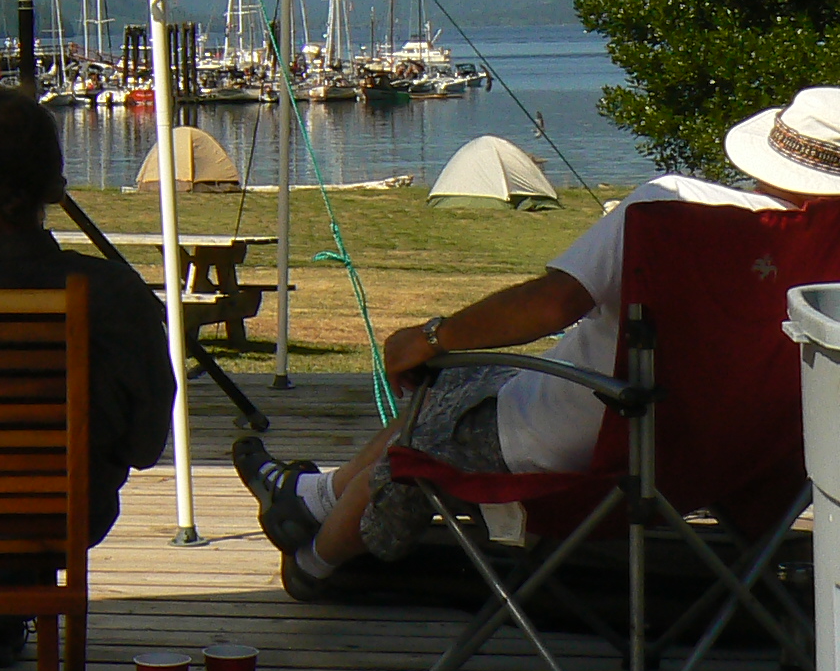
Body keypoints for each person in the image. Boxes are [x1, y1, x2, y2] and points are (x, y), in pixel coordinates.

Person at [237, 87, 840, 599]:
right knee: (464, 390)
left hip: (591, 451)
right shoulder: (829, 250)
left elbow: (552, 305)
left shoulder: (674, 211)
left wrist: (430, 336)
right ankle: (309, 495)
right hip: (739, 459)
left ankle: (314, 562)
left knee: (427, 424)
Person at [0, 87, 172, 668]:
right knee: (29, 486)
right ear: (53, 185)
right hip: (66, 510)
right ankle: (5, 607)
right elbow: (146, 443)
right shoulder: (114, 294)